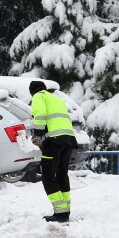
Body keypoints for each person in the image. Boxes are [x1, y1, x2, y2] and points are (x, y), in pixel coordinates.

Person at [30, 80, 78, 223]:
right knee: (62, 174)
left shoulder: (38, 96)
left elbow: (40, 114)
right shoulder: (55, 98)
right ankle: (65, 210)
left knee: (48, 175)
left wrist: (37, 134)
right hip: (68, 140)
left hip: (55, 140)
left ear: (32, 91)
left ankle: (60, 213)